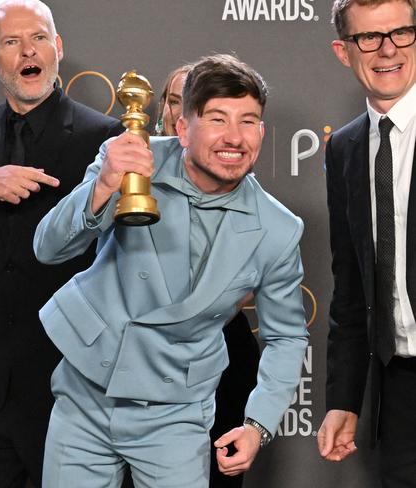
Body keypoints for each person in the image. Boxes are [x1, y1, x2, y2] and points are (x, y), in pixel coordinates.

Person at [34, 53, 309, 488]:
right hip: (85, 394)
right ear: (182, 127)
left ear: (262, 131)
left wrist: (258, 424)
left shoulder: (277, 229)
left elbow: (287, 336)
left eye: (249, 121)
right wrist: (104, 184)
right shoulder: (129, 161)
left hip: (175, 411)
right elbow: (48, 248)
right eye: (217, 119)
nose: (234, 137)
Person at [0, 0, 123, 486]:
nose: (26, 51)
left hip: (70, 383)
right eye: (11, 42)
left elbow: (123, 255)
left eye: (37, 38)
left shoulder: (104, 136)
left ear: (57, 48)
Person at [317, 1, 416, 486]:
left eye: (401, 33)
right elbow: (351, 288)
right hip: (399, 390)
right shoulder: (344, 148)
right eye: (369, 38)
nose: (387, 50)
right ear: (343, 51)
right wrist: (343, 398)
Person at [154, 64, 260, 488]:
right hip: (139, 364)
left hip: (220, 353)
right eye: (174, 101)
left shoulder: (243, 195)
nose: (182, 112)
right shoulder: (126, 177)